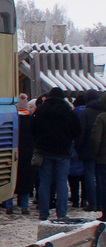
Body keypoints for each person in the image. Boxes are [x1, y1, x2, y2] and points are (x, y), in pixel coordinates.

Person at [32, 87, 82, 222]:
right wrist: (67, 139)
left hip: (44, 151)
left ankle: (43, 212)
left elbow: (33, 129)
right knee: (61, 183)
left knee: (44, 183)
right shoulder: (68, 111)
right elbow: (77, 131)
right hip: (63, 151)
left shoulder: (41, 110)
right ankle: (61, 213)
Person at [74, 91, 101, 212]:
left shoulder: (85, 113)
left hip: (87, 150)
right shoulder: (103, 112)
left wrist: (78, 148)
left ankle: (92, 203)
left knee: (89, 176)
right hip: (102, 151)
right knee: (101, 177)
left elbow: (80, 134)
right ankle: (101, 203)